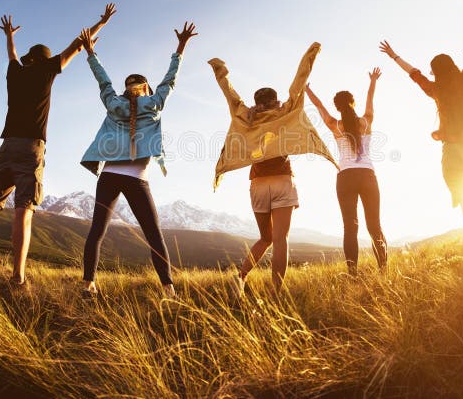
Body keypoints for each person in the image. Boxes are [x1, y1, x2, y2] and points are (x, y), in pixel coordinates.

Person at [0, 4, 117, 285]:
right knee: (23, 212)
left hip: (7, 145)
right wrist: (102, 22)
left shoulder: (16, 72)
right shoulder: (47, 70)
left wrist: (9, 36)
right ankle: (17, 277)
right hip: (31, 148)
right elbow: (77, 44)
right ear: (44, 60)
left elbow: (12, 55)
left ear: (29, 59)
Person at [79, 22, 198, 299]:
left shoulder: (114, 103)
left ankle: (88, 285)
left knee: (97, 230)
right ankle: (168, 290)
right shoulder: (154, 103)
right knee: (153, 235)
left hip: (109, 175)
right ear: (145, 88)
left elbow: (103, 81)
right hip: (137, 178)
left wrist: (90, 53)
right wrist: (180, 47)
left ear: (126, 89)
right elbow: (170, 79)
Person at [208, 43, 338, 296]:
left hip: (257, 184)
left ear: (257, 101)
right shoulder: (285, 112)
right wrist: (310, 55)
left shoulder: (245, 116)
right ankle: (276, 292)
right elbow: (298, 84)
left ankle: (241, 278)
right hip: (282, 180)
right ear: (275, 100)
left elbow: (230, 94)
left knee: (265, 238)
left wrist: (219, 69)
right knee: (280, 240)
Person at [379, 3, 463, 266]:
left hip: (455, 153)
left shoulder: (437, 90)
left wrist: (393, 56)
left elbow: (414, 74)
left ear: (436, 72)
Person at [305, 67, 388, 276]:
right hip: (367, 176)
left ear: (338, 107)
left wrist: (307, 91)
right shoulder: (366, 121)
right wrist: (373, 80)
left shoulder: (334, 125)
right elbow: (370, 97)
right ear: (353, 103)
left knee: (350, 227)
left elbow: (318, 105)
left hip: (345, 177)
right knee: (374, 226)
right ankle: (384, 270)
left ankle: (353, 274)